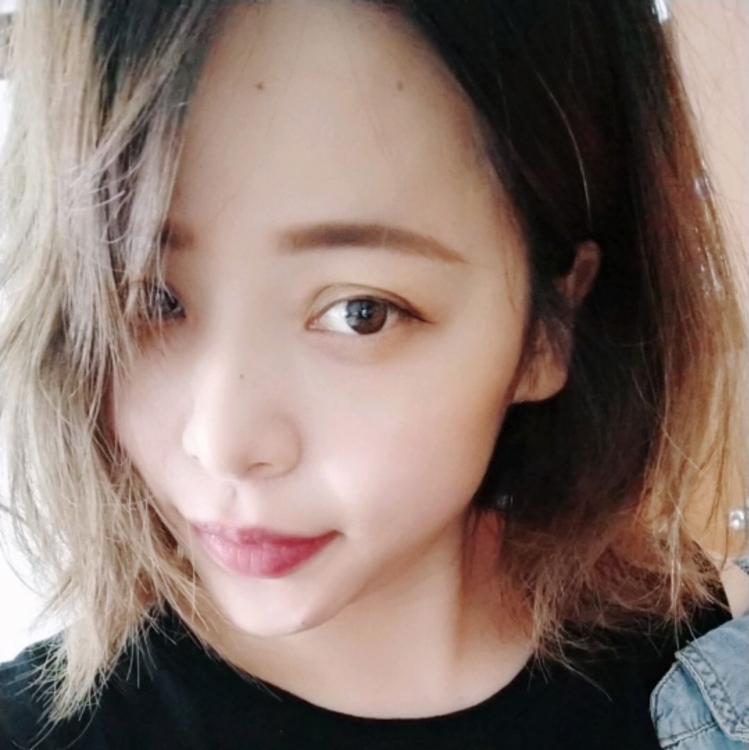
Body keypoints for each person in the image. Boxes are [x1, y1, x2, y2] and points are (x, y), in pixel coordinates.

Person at [0, 0, 747, 747]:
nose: (223, 444)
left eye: (361, 312)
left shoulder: (680, 661)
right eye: (153, 298)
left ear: (546, 333)